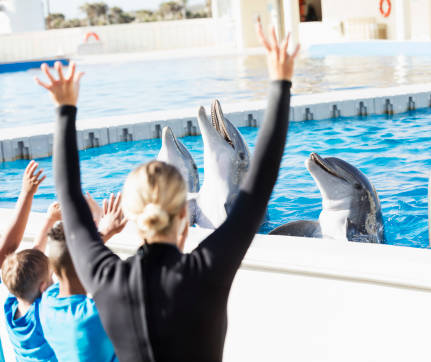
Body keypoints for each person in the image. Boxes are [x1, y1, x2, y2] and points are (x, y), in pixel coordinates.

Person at [38, 20, 299, 361]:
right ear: (182, 213)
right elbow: (261, 184)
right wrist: (280, 83)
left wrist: (64, 109)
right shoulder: (207, 271)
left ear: (131, 214)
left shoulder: (106, 277)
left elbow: (69, 196)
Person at [40, 193, 126, 362]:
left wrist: (103, 232)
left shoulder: (47, 304)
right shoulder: (95, 313)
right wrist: (103, 230)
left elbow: (69, 261)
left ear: (53, 270)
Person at [0, 162, 56, 362]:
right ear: (43, 287)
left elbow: (28, 262)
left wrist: (48, 221)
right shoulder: (45, 312)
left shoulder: (11, 309)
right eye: (51, 278)